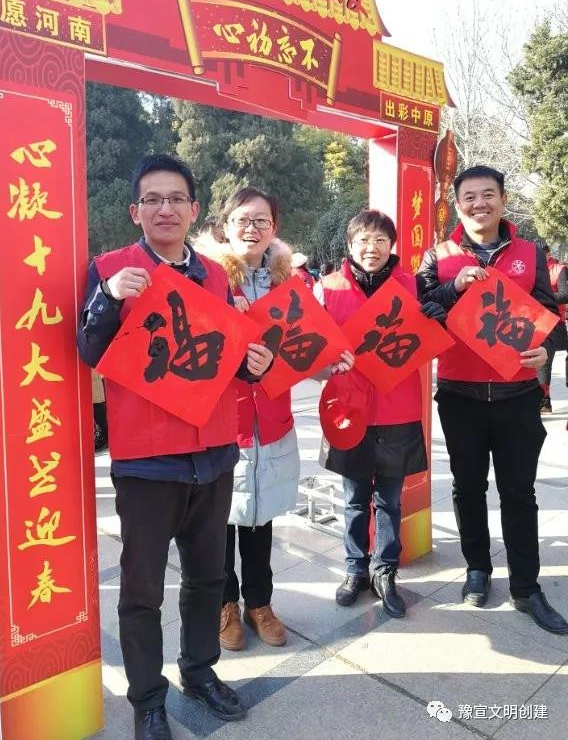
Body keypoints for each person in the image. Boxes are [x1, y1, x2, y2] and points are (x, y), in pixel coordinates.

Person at [77, 155, 273, 740]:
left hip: (213, 451)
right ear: (135, 211)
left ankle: (199, 670)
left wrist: (254, 364)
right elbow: (88, 350)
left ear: (193, 209)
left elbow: (224, 356)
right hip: (147, 460)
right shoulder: (109, 269)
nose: (165, 209)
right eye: (153, 199)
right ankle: (147, 699)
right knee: (141, 590)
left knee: (207, 577)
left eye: (176, 199)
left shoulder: (215, 276)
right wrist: (107, 297)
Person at [196, 188, 352, 650]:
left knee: (260, 517)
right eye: (243, 220)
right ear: (224, 227)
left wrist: (329, 365)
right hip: (223, 420)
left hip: (271, 418)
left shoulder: (290, 284)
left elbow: (306, 349)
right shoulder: (204, 278)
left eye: (261, 220)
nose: (252, 228)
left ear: (274, 229)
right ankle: (224, 604)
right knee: (221, 520)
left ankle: (259, 603)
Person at [418, 164, 568, 635]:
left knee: (519, 493)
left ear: (503, 200)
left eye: (488, 195)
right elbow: (421, 311)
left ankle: (526, 587)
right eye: (469, 197)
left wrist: (547, 349)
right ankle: (477, 569)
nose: (479, 204)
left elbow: (554, 320)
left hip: (517, 395)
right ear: (457, 205)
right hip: (459, 396)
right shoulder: (437, 256)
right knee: (467, 489)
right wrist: (454, 287)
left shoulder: (530, 253)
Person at [315, 209, 445, 617]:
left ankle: (384, 570)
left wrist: (436, 316)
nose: (371, 248)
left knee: (389, 499)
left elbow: (440, 322)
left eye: (380, 240)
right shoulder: (327, 288)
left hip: (397, 407)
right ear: (350, 245)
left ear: (392, 245)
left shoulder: (413, 285)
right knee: (354, 499)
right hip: (349, 409)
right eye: (363, 240)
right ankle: (355, 568)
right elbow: (315, 349)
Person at [537, 244, 568, 412]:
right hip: (535, 321)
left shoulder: (558, 270)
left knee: (546, 361)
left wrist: (542, 298)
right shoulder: (530, 269)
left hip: (556, 321)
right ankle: (544, 401)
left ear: (548, 254)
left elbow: (565, 294)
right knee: (544, 362)